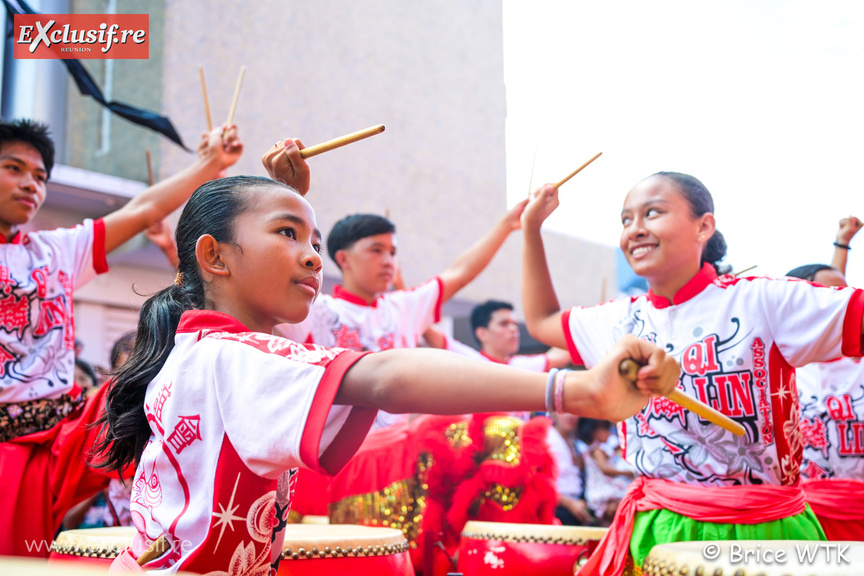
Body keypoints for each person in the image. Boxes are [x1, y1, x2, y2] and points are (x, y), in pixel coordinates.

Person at [93, 171, 680, 575]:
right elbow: (387, 378)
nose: (311, 255)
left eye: (312, 240)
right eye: (289, 234)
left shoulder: (203, 349)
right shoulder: (238, 356)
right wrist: (578, 389)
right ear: (214, 256)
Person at [521, 172, 864, 575]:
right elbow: (542, 320)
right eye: (626, 219)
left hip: (759, 533)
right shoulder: (616, 320)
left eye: (652, 213)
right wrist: (531, 230)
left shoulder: (763, 300)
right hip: (655, 530)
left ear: (704, 226)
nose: (635, 229)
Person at [0, 118, 243, 557]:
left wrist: (209, 165)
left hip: (67, 432)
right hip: (9, 447)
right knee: (19, 557)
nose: (31, 184)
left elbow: (142, 210)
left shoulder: (54, 251)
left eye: (39, 176)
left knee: (156, 376)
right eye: (13, 168)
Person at [275, 202, 528, 429]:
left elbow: (460, 273)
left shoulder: (403, 307)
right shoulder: (314, 308)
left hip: (395, 456)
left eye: (393, 252)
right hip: (331, 459)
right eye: (376, 250)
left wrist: (506, 225)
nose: (389, 262)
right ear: (343, 258)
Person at [788, 215, 864, 541]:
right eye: (830, 298)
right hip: (801, 519)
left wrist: (842, 243)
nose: (841, 305)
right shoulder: (779, 364)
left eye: (847, 297)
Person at [578, 418, 634, 526]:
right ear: (594, 432)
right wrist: (628, 473)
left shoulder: (603, 449)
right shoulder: (597, 450)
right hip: (601, 493)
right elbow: (605, 469)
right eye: (604, 429)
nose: (608, 433)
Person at [547, 411, 592, 525]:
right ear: (553, 413)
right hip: (555, 509)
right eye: (564, 411)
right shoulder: (547, 440)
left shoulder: (579, 446)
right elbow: (538, 484)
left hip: (579, 506)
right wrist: (569, 503)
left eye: (573, 411)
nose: (570, 416)